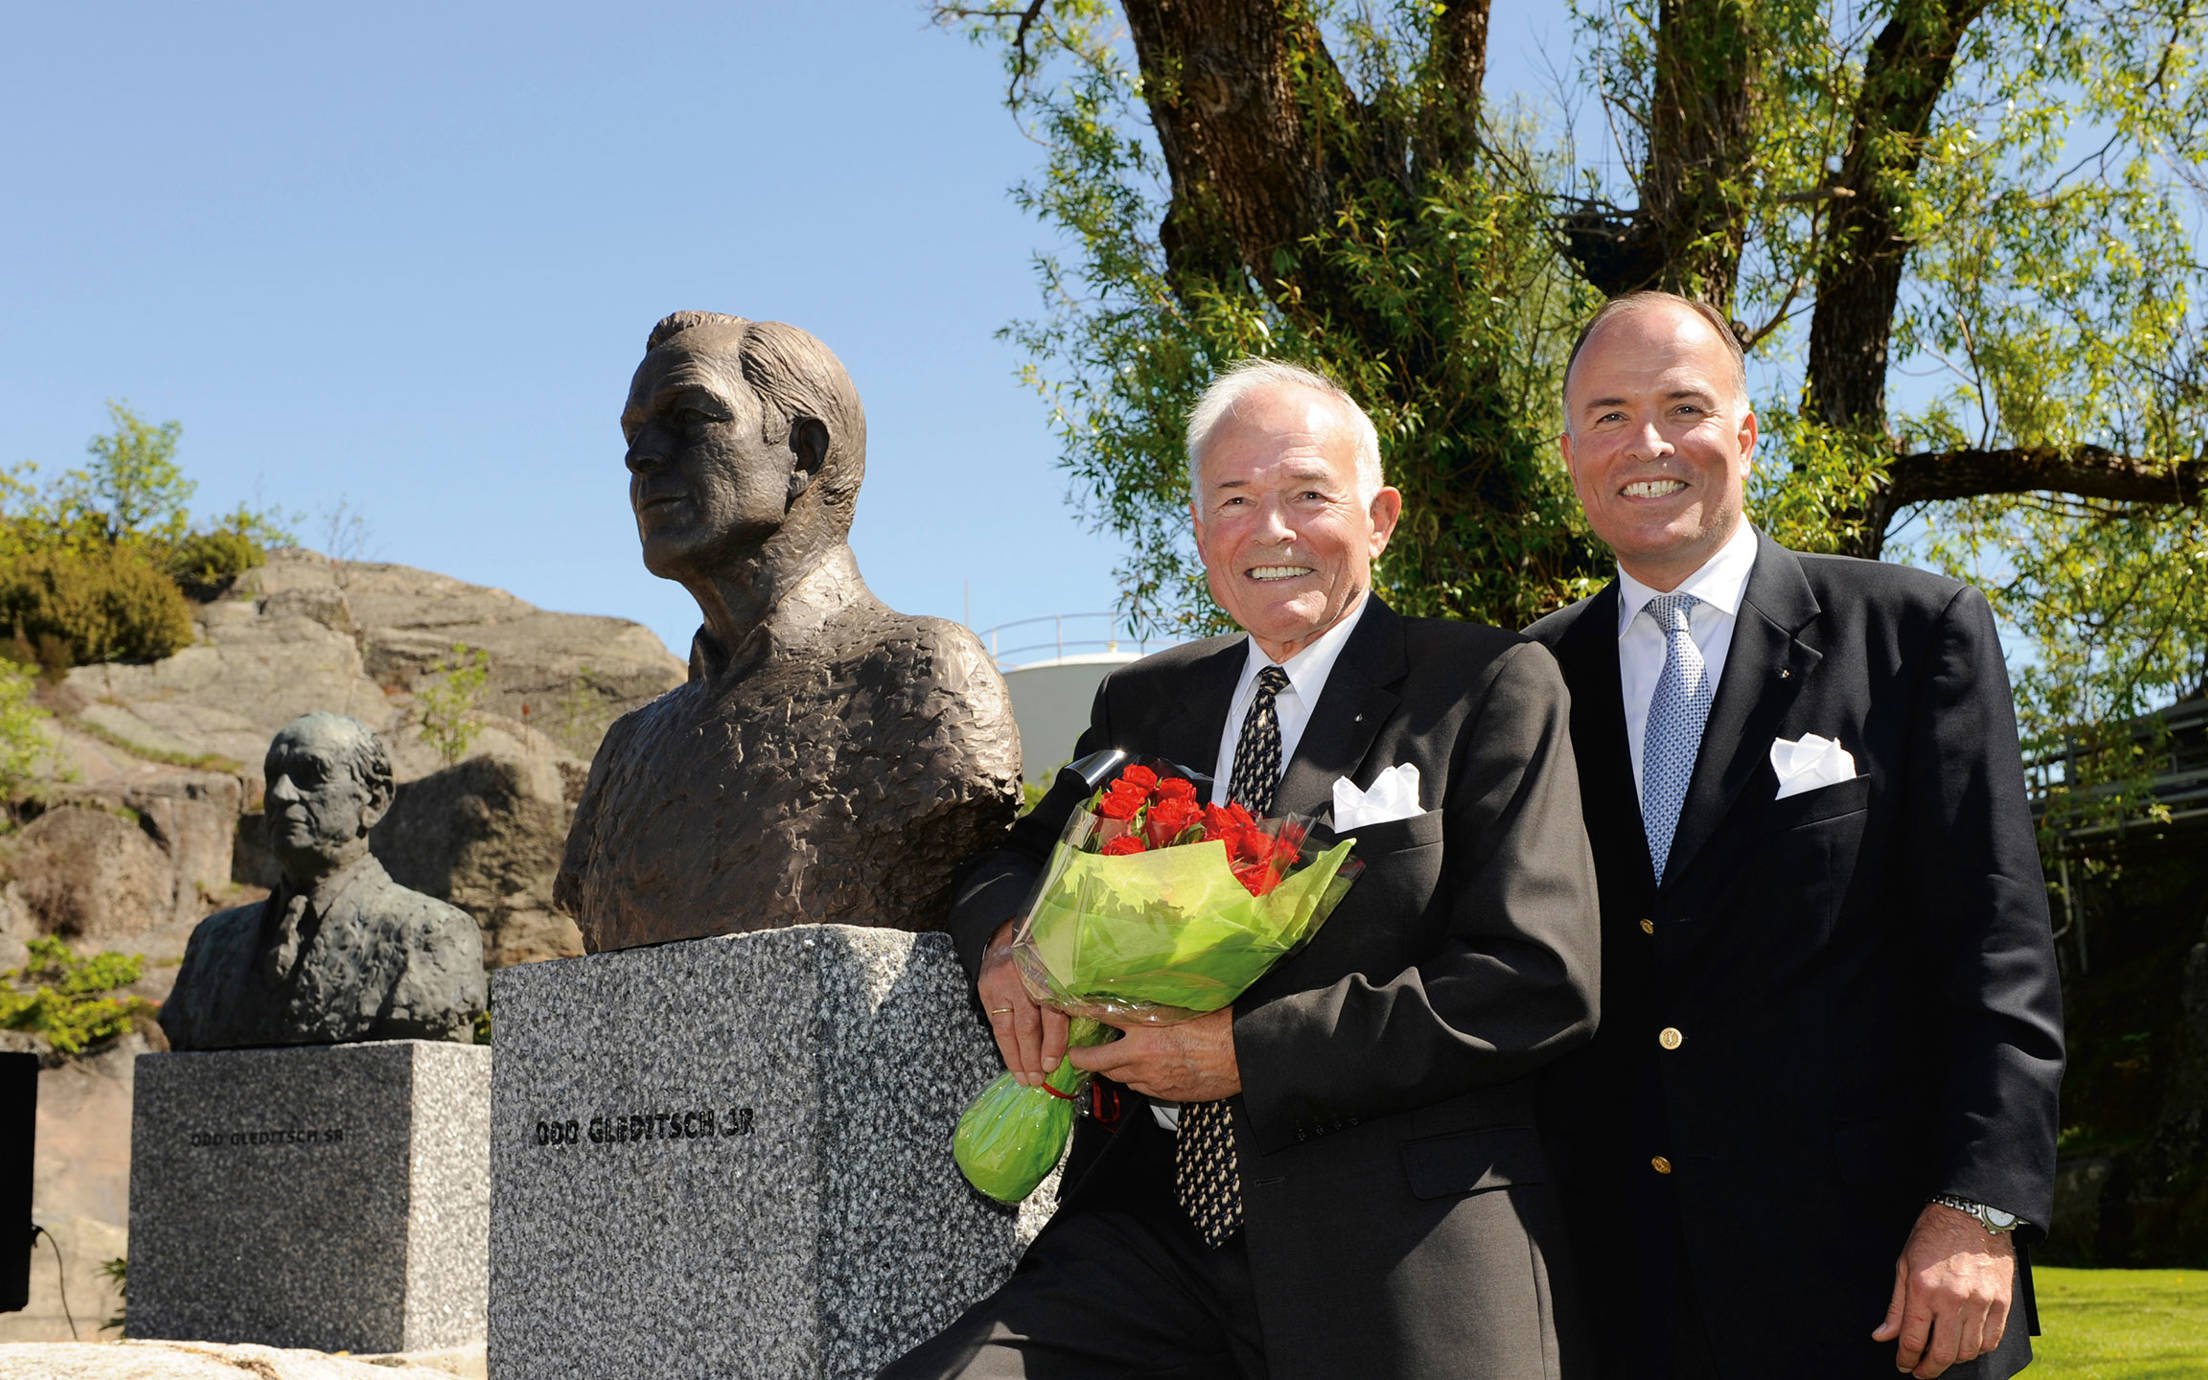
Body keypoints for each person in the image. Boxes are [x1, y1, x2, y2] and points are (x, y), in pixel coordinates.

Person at [887, 360, 1601, 1379]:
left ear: (1380, 518)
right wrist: (1009, 949)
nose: (1271, 530)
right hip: (1146, 1245)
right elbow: (1013, 859)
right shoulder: (1143, 702)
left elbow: (1536, 981)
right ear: (1198, 531)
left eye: (1308, 494)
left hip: (1398, 1248)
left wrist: (1244, 1056)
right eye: (1234, 500)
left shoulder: (1486, 683)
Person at [1525, 292, 2065, 1379]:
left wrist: (1979, 1208)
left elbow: (1998, 949)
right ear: (1573, 452)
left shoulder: (1914, 633)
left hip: (1879, 1292)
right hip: (1620, 1298)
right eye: (1611, 415)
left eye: (1684, 407)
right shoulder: (1527, 680)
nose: (1649, 444)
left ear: (1745, 432)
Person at [555, 312, 1020, 949]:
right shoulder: (627, 750)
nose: (641, 457)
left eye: (690, 416)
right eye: (634, 433)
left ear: (803, 452)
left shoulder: (923, 682)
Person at [160, 712, 486, 1050]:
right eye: (273, 777)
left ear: (374, 800)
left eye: (311, 774)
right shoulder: (212, 943)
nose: (281, 794)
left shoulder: (433, 935)